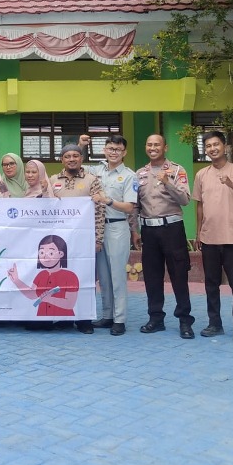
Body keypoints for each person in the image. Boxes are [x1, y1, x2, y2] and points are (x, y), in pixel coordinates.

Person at [193, 131, 233, 343]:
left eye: (216, 144)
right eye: (208, 146)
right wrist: (198, 232)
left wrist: (231, 184)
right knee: (211, 285)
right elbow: (200, 205)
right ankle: (215, 324)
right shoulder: (202, 175)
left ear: (225, 146)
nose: (212, 148)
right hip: (210, 238)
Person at [134, 133, 195, 339]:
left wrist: (168, 182)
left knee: (179, 274)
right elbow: (135, 205)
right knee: (152, 276)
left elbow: (185, 199)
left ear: (165, 147)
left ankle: (185, 320)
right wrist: (135, 230)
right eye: (149, 144)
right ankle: (156, 318)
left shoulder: (177, 170)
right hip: (148, 231)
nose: (153, 148)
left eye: (157, 144)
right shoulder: (140, 173)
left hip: (172, 229)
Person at [77, 134, 139, 337]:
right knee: (103, 276)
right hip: (97, 228)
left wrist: (108, 201)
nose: (114, 152)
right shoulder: (97, 170)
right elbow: (78, 166)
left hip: (117, 228)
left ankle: (120, 319)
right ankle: (107, 315)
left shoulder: (129, 176)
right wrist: (81, 146)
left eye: (118, 150)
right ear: (104, 149)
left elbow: (130, 207)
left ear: (124, 152)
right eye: (110, 148)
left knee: (117, 276)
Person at [47, 144, 105, 334]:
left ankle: (84, 319)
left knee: (85, 279)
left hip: (84, 240)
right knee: (62, 278)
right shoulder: (52, 180)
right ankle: (64, 317)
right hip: (60, 241)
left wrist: (98, 239)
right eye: (67, 156)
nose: (71, 159)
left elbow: (99, 211)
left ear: (81, 158)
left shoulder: (92, 180)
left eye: (75, 156)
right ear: (61, 159)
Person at [8, 235, 80, 317]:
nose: (45, 257)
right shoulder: (41, 275)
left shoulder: (70, 276)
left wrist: (49, 299)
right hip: (42, 317)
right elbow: (32, 295)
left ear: (61, 254)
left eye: (51, 253)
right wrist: (16, 280)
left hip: (64, 319)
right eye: (41, 252)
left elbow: (70, 304)